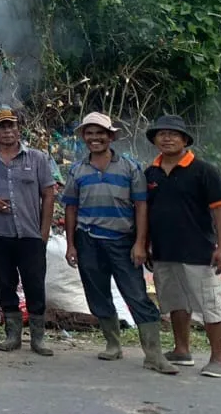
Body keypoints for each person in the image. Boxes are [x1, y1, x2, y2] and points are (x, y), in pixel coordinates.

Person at [62, 112, 177, 373]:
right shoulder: (77, 170)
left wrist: (140, 243)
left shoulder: (130, 167)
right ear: (83, 137)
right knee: (97, 293)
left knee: (136, 294)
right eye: (89, 133)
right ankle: (113, 345)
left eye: (100, 133)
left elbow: (141, 207)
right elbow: (70, 208)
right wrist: (71, 244)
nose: (95, 138)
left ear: (111, 136)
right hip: (88, 240)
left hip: (123, 241)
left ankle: (153, 354)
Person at [143, 114, 221, 378]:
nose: (167, 138)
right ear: (155, 140)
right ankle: (182, 350)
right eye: (162, 134)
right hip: (163, 251)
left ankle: (218, 360)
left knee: (209, 305)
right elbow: (146, 212)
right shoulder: (151, 173)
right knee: (175, 303)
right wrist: (146, 244)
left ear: (184, 139)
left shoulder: (204, 171)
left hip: (198, 252)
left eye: (173, 134)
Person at [0, 107, 57, 356]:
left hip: (31, 234)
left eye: (11, 126)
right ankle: (12, 335)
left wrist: (44, 232)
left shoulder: (37, 158)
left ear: (18, 129)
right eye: (2, 127)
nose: (8, 131)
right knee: (6, 283)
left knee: (34, 284)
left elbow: (48, 195)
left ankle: (38, 338)